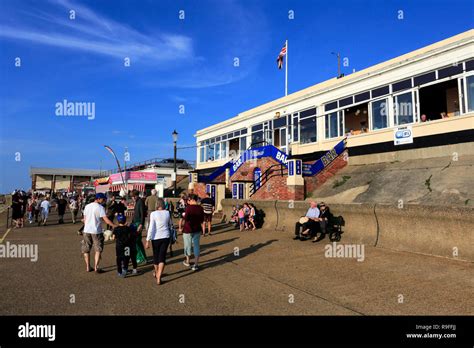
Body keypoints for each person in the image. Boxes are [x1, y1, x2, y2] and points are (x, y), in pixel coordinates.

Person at [81, 193, 116, 273]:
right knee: (98, 249)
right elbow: (106, 220)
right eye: (103, 199)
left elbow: (85, 219)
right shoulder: (100, 207)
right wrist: (114, 225)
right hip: (96, 231)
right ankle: (96, 267)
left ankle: (88, 267)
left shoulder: (87, 206)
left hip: (86, 230)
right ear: (99, 199)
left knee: (86, 249)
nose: (104, 201)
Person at [145, 198, 172, 285]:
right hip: (165, 236)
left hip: (155, 237)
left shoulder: (153, 214)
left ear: (157, 204)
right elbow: (170, 224)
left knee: (156, 256)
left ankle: (157, 273)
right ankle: (159, 277)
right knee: (162, 256)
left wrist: (147, 240)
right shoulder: (167, 213)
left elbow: (151, 227)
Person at [182, 194, 204, 271]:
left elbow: (186, 218)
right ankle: (196, 264)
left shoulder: (188, 208)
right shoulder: (200, 208)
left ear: (191, 200)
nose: (188, 201)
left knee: (187, 245)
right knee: (196, 246)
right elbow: (202, 220)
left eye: (188, 200)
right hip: (197, 229)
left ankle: (188, 261)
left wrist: (183, 216)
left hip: (188, 229)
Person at [112, 214, 131, 278]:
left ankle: (119, 271)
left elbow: (113, 237)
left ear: (118, 221)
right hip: (127, 245)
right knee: (126, 257)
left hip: (119, 245)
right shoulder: (128, 228)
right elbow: (130, 236)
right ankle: (125, 269)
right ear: (125, 221)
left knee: (119, 258)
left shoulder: (116, 229)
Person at [131, 190, 146, 267]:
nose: (132, 198)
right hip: (135, 223)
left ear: (136, 196)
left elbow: (143, 214)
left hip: (138, 224)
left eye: (133, 197)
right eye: (132, 197)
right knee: (137, 241)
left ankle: (140, 258)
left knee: (136, 241)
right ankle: (142, 257)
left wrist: (141, 224)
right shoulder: (137, 201)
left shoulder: (140, 202)